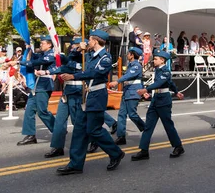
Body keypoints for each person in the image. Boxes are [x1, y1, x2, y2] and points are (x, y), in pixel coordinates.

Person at [56, 30, 124, 175]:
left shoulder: (105, 57)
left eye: (90, 40)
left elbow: (94, 73)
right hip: (87, 95)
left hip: (97, 96)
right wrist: (77, 49)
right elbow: (70, 60)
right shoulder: (89, 55)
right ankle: (75, 164)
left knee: (94, 130)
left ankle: (116, 153)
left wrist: (73, 76)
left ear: (95, 41)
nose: (88, 42)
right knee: (79, 129)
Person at [132, 50, 185, 161]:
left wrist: (146, 89)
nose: (154, 60)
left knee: (168, 125)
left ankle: (178, 146)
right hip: (156, 99)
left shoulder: (166, 71)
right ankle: (144, 150)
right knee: (148, 126)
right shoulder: (157, 70)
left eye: (156, 59)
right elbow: (171, 83)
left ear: (162, 60)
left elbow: (159, 83)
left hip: (164, 100)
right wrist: (176, 92)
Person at [43, 38, 85, 158]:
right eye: (73, 46)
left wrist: (46, 72)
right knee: (59, 121)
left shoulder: (84, 59)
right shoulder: (72, 57)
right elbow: (68, 59)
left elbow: (65, 66)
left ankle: (91, 141)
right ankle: (57, 146)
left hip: (76, 91)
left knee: (78, 122)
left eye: (75, 46)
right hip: (66, 92)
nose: (72, 49)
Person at [14, 36, 57, 146]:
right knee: (29, 110)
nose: (41, 45)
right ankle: (30, 135)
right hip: (37, 86)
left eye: (43, 43)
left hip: (45, 85)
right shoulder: (42, 54)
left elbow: (35, 62)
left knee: (42, 111)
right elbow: (32, 57)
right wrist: (28, 47)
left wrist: (19, 63)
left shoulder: (52, 54)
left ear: (49, 45)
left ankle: (58, 130)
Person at [109, 47, 146, 145]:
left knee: (132, 114)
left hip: (133, 92)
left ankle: (146, 129)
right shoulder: (130, 65)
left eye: (128, 53)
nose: (127, 55)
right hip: (127, 91)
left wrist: (117, 81)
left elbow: (128, 76)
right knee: (121, 114)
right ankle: (121, 136)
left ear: (132, 55)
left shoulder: (136, 66)